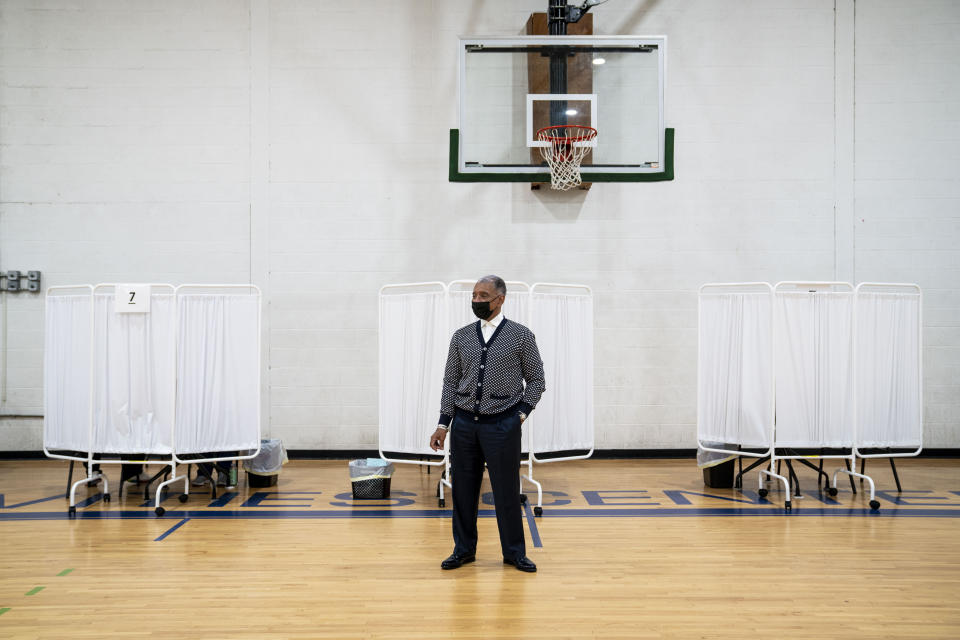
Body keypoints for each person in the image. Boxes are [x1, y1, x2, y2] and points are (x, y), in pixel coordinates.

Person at [430, 275, 545, 573]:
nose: (477, 301)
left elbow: (536, 381)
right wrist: (443, 424)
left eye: (483, 296)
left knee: (506, 492)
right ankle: (464, 549)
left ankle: (514, 553)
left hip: (502, 425)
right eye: (474, 296)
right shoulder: (461, 336)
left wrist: (520, 414)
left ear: (500, 299)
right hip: (465, 425)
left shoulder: (521, 336)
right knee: (463, 491)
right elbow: (450, 382)